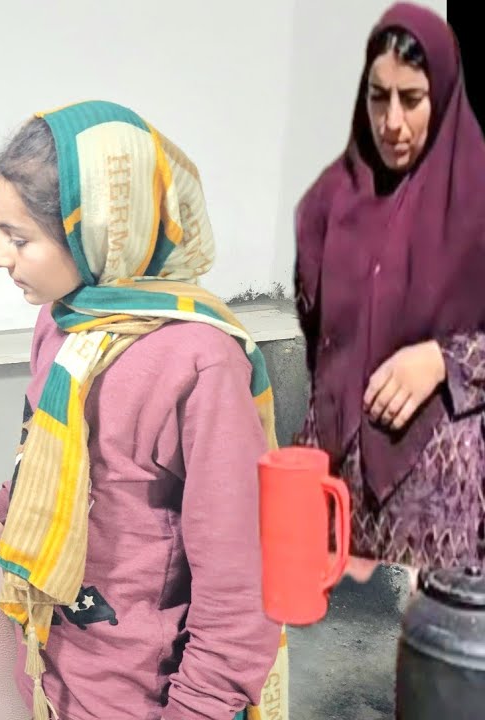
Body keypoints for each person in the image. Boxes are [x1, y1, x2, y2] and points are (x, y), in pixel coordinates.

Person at [0, 101, 281, 720]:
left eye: (19, 238)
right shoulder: (64, 321)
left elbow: (239, 589)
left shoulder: (199, 364)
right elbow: (60, 460)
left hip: (139, 696)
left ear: (98, 230)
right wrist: (5, 507)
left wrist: (198, 709)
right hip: (46, 663)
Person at [295, 3, 485, 584]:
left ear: (445, 96)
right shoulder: (329, 204)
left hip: (446, 516)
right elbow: (322, 350)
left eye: (412, 98)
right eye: (379, 97)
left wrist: (441, 360)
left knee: (433, 667)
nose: (392, 122)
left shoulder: (477, 202)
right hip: (339, 508)